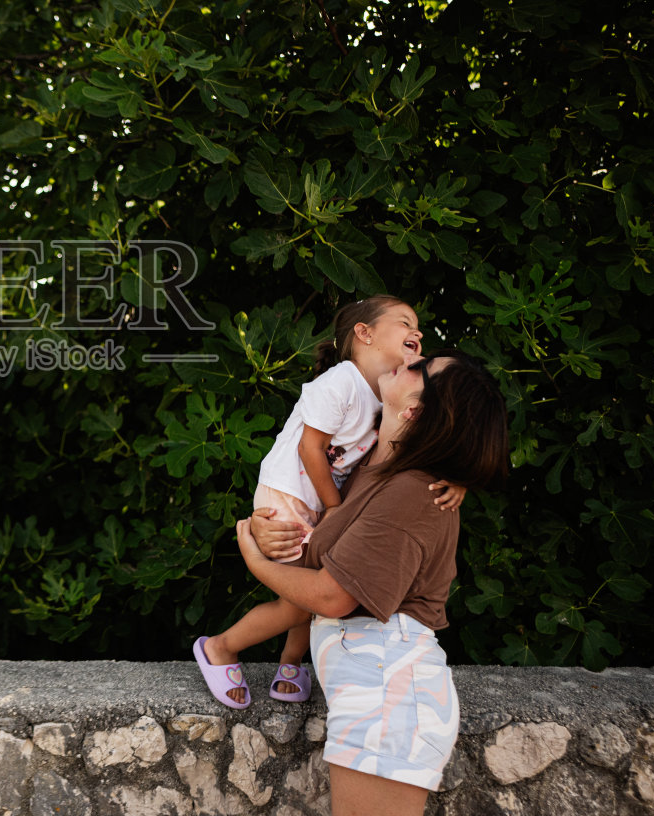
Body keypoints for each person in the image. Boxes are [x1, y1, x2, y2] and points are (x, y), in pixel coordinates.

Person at [237, 350, 509, 816]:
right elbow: (319, 553)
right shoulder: (371, 473)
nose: (405, 357)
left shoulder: (413, 491)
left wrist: (254, 559)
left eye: (418, 365)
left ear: (415, 410)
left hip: (389, 694)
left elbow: (332, 595)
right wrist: (267, 526)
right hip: (378, 688)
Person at [191, 296, 465, 708]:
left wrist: (458, 477)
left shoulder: (383, 398)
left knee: (312, 595)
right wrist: (334, 509)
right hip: (290, 494)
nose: (419, 332)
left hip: (319, 501)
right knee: (301, 601)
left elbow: (424, 441)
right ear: (364, 333)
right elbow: (310, 448)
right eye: (405, 322)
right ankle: (221, 648)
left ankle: (290, 662)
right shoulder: (341, 381)